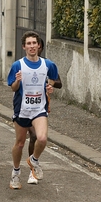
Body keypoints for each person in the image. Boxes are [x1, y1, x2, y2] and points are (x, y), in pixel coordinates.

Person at [7, 31, 59, 189]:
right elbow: (13, 88)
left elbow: (54, 80)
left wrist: (50, 86)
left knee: (41, 138)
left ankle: (34, 160)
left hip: (39, 109)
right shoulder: (18, 65)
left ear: (38, 45)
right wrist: (17, 81)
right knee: (20, 143)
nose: (31, 46)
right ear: (24, 47)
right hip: (22, 109)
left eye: (34, 43)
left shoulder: (47, 64)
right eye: (28, 44)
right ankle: (15, 173)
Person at [26, 38, 62, 184]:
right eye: (31, 44)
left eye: (37, 45)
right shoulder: (23, 64)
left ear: (40, 47)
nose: (35, 48)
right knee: (30, 137)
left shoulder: (47, 65)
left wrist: (49, 82)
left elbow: (59, 83)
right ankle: (25, 169)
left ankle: (32, 167)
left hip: (41, 106)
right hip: (25, 106)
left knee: (36, 137)